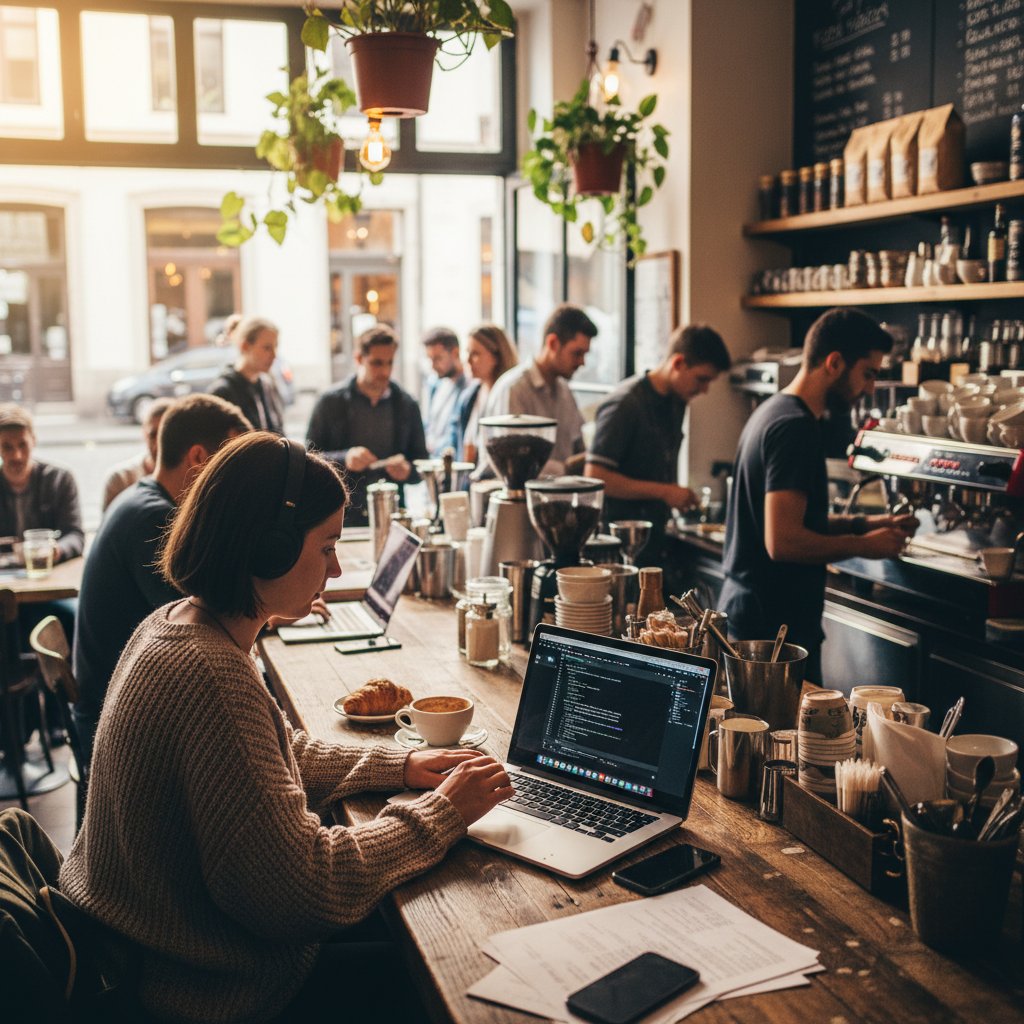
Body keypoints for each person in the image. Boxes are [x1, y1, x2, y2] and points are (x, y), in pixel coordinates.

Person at [59, 432, 513, 1023]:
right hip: (195, 993)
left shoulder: (178, 624)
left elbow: (271, 753)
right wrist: (442, 814)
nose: (337, 565)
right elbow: (304, 889)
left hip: (154, 954)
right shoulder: (210, 673)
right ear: (267, 547)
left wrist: (399, 765)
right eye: (326, 546)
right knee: (455, 969)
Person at [720, 308, 917, 681]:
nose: (871, 388)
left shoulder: (772, 411)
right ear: (835, 363)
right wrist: (863, 546)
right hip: (772, 633)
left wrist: (868, 523)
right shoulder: (795, 428)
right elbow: (784, 542)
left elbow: (798, 520)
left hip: (759, 620)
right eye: (868, 373)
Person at [72, 394, 252, 762]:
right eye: (230, 463)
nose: (235, 480)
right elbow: (209, 623)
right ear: (199, 458)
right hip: (119, 720)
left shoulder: (141, 500)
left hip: (124, 695)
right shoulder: (153, 520)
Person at [585, 323, 732, 539]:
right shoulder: (626, 403)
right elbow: (595, 476)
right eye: (701, 379)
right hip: (618, 539)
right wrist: (665, 491)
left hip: (656, 534)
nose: (704, 390)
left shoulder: (676, 402)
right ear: (678, 363)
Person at [306, 325, 428, 525]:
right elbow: (309, 459)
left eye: (390, 363)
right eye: (377, 363)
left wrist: (408, 470)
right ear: (358, 359)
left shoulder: (407, 404)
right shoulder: (330, 402)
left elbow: (422, 463)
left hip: (392, 515)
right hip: (340, 514)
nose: (385, 371)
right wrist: (345, 458)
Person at [483, 304, 597, 474]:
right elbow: (514, 463)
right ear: (552, 343)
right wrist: (567, 468)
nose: (582, 362)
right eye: (577, 353)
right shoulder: (514, 389)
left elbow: (578, 444)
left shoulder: (564, 390)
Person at [0, 403, 83, 565]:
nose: (17, 455)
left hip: (49, 568)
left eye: (22, 445)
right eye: (7, 447)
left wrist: (57, 550)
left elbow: (75, 535)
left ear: (33, 441)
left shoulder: (59, 479)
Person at [448, 324, 519, 463]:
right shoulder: (469, 397)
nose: (467, 360)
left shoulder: (510, 396)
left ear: (496, 356)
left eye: (475, 354)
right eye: (467, 352)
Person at [209, 315, 286, 434]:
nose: (274, 355)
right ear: (245, 346)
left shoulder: (267, 385)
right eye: (267, 348)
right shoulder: (222, 392)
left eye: (275, 347)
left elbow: (278, 431)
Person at [100, 396, 174, 511]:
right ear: (144, 433)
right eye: (153, 435)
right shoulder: (120, 478)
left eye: (166, 435)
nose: (159, 443)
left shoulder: (190, 478)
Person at [420, 326, 467, 456]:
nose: (433, 366)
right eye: (430, 359)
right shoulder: (434, 384)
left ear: (455, 353)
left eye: (438, 358)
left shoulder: (469, 389)